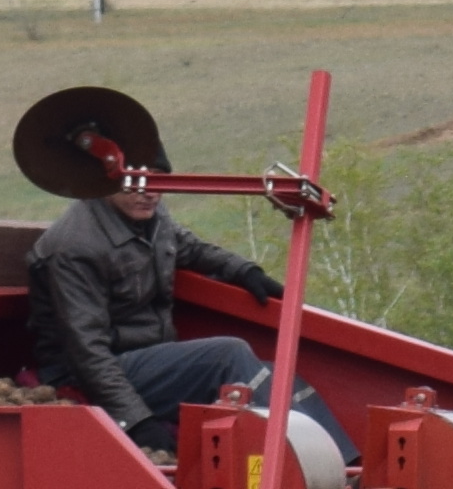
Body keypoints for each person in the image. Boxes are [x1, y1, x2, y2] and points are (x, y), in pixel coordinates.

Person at [27, 161, 314, 451]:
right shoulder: (74, 247)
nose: (149, 193)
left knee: (276, 375)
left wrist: (244, 271)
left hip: (148, 360)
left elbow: (191, 247)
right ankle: (296, 468)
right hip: (96, 372)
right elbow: (87, 353)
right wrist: (136, 421)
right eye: (134, 182)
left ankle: (344, 472)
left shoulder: (149, 216)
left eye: (157, 181)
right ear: (103, 180)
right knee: (228, 355)